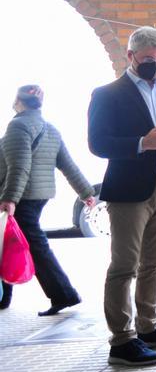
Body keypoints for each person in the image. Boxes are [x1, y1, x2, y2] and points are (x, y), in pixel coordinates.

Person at [88, 26, 156, 367]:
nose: (154, 64)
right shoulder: (107, 94)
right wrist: (141, 143)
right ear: (131, 56)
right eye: (148, 58)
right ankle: (121, 341)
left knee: (154, 263)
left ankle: (149, 327)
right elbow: (98, 144)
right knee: (124, 265)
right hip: (129, 190)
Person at [0, 85, 97, 315]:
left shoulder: (18, 126)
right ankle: (5, 297)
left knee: (33, 246)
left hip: (23, 196)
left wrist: (10, 198)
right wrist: (85, 192)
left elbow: (20, 167)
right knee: (9, 242)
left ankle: (64, 294)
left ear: (18, 102)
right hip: (39, 195)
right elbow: (67, 164)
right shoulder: (50, 128)